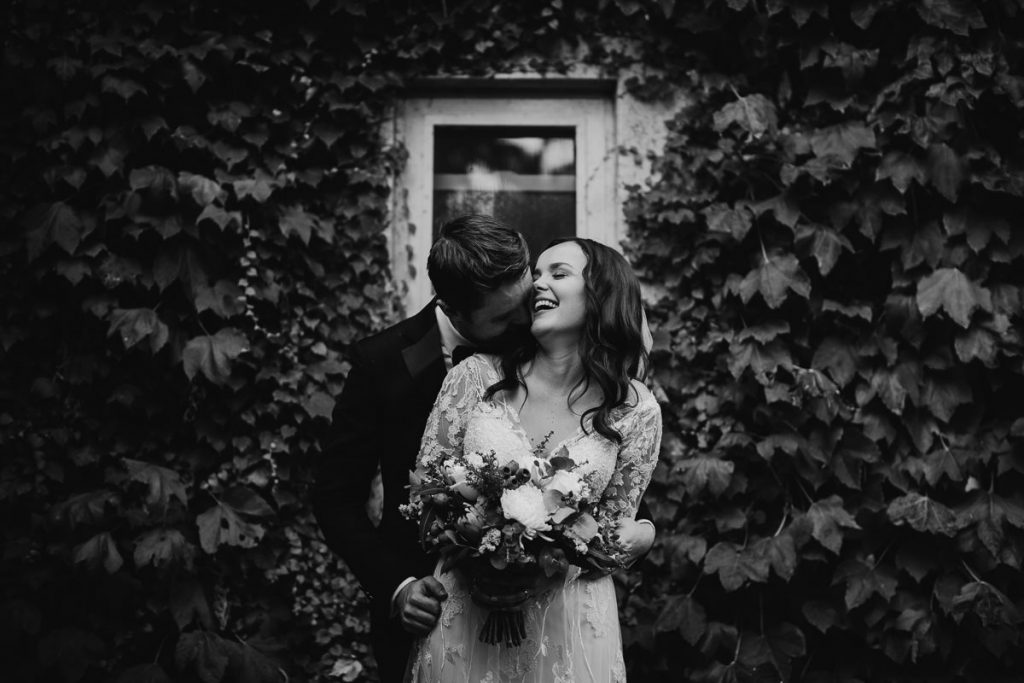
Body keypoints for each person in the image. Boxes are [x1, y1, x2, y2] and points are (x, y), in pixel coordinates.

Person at [313, 216, 656, 683]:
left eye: (532, 290)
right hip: (436, 606)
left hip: (559, 621)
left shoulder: (567, 344)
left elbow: (604, 488)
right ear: (453, 310)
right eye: (504, 318)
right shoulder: (384, 365)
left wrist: (637, 533)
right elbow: (337, 497)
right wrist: (399, 587)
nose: (525, 319)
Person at [407, 237, 663, 682]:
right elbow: (428, 499)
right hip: (467, 614)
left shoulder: (636, 410)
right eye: (537, 273)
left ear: (602, 293)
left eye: (558, 273)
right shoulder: (473, 377)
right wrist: (483, 553)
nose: (537, 284)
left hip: (567, 626)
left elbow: (611, 535)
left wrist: (642, 533)